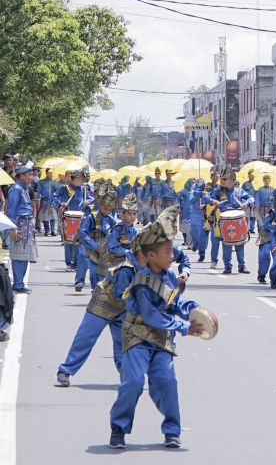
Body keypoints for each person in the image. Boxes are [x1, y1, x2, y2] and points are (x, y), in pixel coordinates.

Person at [108, 210, 201, 450]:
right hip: (137, 335)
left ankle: (172, 429)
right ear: (150, 256)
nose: (173, 256)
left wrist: (194, 310)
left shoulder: (169, 275)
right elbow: (152, 316)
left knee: (167, 380)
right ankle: (118, 427)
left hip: (160, 339)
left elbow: (175, 303)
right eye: (168, 252)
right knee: (134, 382)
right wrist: (184, 326)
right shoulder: (142, 282)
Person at [56, 230, 142, 387]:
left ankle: (129, 378)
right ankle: (66, 370)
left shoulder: (153, 267)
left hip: (123, 308)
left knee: (123, 345)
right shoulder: (127, 268)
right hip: (104, 301)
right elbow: (123, 293)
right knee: (85, 337)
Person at [203, 166, 254, 275]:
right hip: (224, 219)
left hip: (238, 218)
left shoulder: (239, 191)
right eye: (221, 179)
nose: (222, 181)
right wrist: (213, 201)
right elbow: (205, 198)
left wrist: (246, 203)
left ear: (232, 180)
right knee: (226, 244)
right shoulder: (218, 191)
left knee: (240, 243)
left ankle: (241, 266)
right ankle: (228, 266)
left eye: (224, 179)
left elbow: (251, 198)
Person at [78, 182, 117, 291]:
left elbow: (114, 235)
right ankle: (81, 281)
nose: (107, 211)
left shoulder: (111, 220)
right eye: (105, 208)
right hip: (93, 249)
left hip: (106, 251)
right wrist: (94, 245)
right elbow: (83, 232)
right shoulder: (91, 216)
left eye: (109, 209)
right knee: (93, 273)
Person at [7, 165, 37, 293]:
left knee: (25, 255)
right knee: (19, 255)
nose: (31, 177)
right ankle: (18, 284)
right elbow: (11, 210)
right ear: (21, 176)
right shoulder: (16, 189)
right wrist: (13, 228)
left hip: (27, 223)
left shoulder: (25, 188)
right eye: (29, 175)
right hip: (19, 223)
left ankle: (20, 283)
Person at [57, 167, 93, 270]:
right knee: (69, 242)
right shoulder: (64, 188)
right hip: (68, 217)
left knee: (79, 241)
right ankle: (69, 263)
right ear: (73, 179)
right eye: (80, 178)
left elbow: (92, 199)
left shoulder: (84, 189)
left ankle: (77, 262)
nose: (82, 180)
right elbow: (55, 197)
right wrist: (61, 203)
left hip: (81, 218)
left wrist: (88, 202)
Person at [189, 179, 209, 262]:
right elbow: (190, 201)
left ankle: (202, 253)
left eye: (202, 184)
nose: (201, 185)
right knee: (193, 232)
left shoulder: (207, 190)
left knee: (202, 235)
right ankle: (195, 244)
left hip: (203, 214)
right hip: (194, 214)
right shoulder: (193, 190)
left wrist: (205, 196)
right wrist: (198, 194)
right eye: (199, 184)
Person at [38, 168, 58, 237]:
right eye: (49, 172)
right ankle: (47, 231)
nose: (50, 174)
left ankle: (52, 231)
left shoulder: (55, 182)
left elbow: (57, 191)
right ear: (46, 173)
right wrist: (40, 198)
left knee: (53, 216)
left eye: (51, 173)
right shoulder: (41, 182)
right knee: (45, 217)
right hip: (44, 201)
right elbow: (39, 192)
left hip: (53, 201)